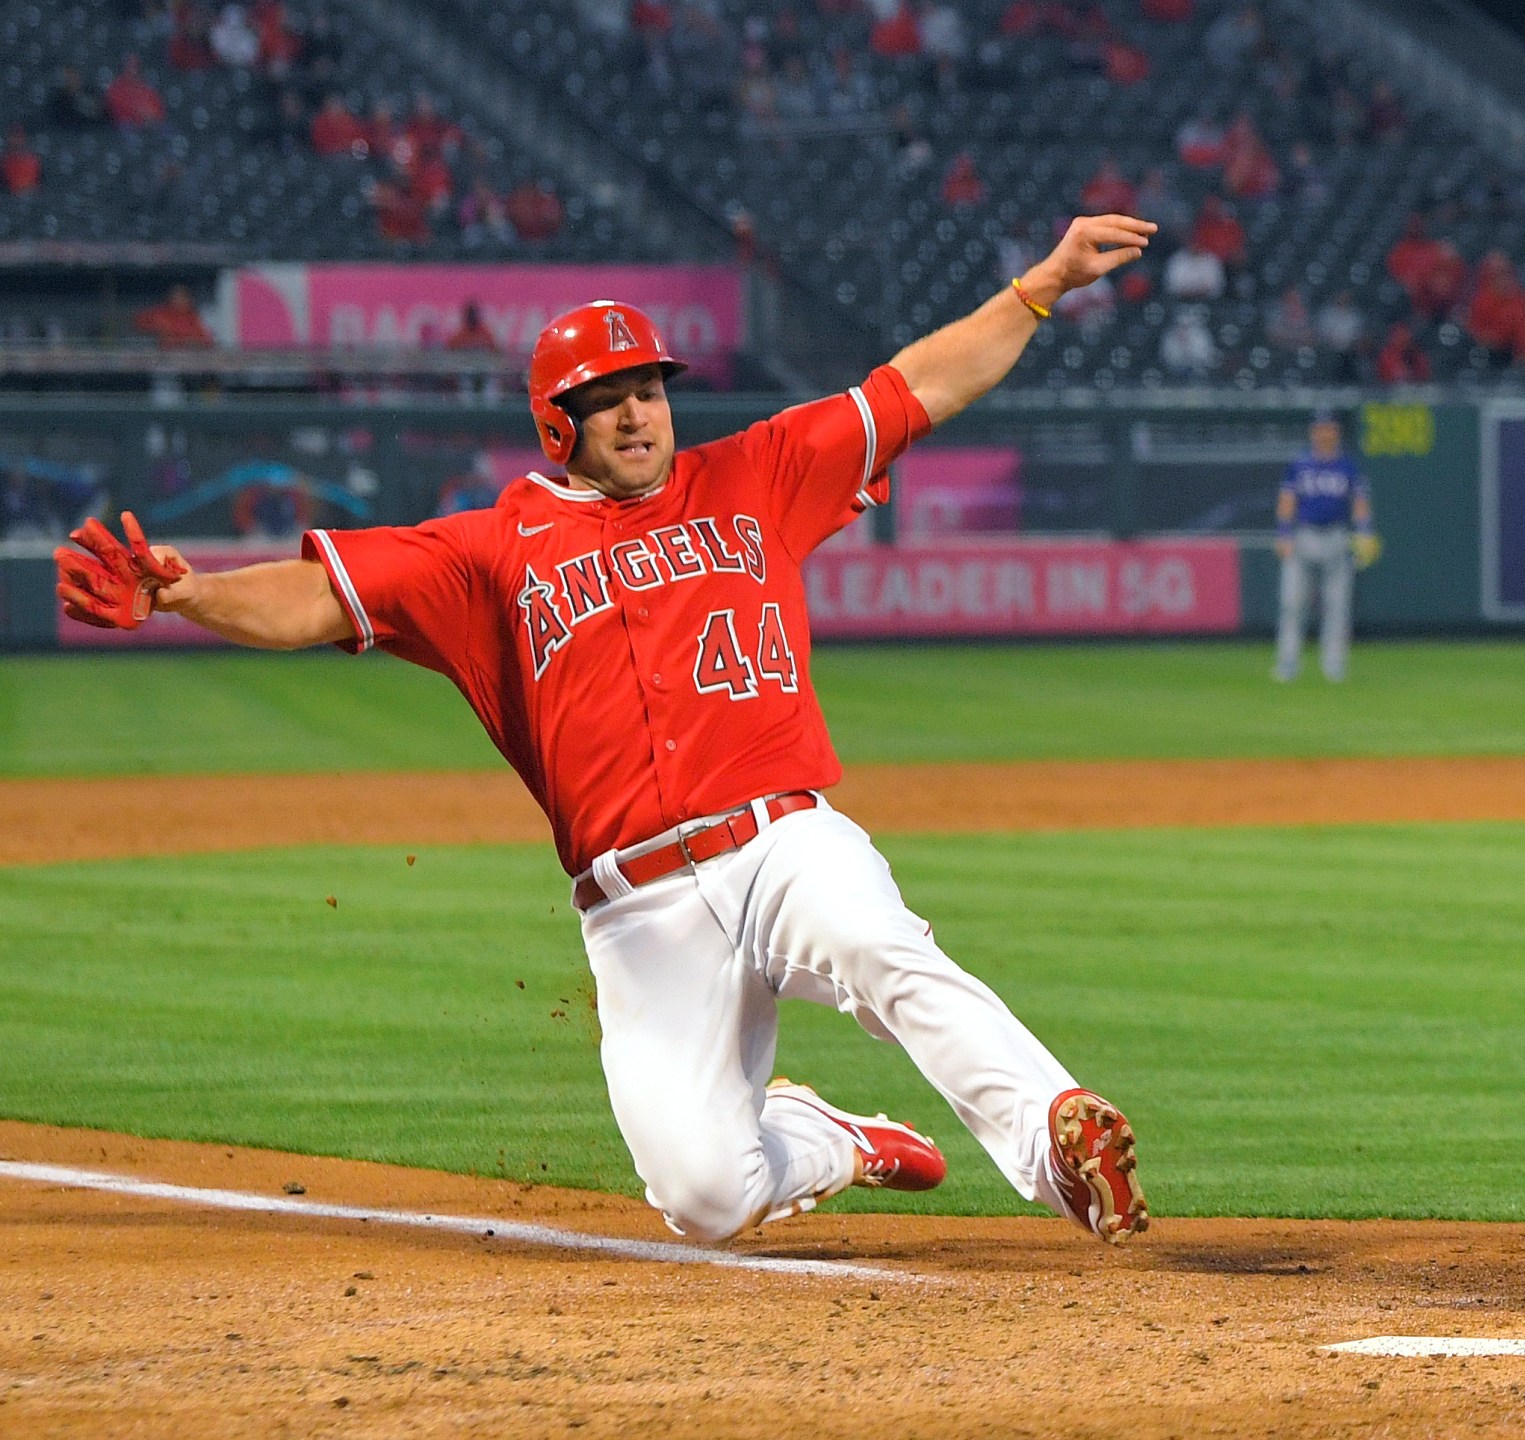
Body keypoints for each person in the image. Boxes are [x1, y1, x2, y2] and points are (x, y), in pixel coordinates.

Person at [56, 214, 1163, 1250]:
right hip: (638, 910)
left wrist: (1040, 286)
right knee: (704, 1197)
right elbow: (314, 597)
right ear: (557, 422)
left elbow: (916, 386)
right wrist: (183, 595)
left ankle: (1052, 1137)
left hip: (780, 837)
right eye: (608, 397)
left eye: (650, 388)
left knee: (877, 943)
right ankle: (834, 1139)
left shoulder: (757, 475)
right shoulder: (489, 551)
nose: (639, 412)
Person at [1271, 410, 1375, 684]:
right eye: (1320, 428)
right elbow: (1287, 499)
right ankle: (1288, 662)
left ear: (1336, 433)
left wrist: (1364, 532)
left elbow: (1359, 502)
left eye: (1329, 428)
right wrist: (1283, 533)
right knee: (1292, 604)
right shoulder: (1300, 465)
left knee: (1337, 605)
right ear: (1313, 433)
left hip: (1337, 536)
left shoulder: (1348, 467)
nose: (1325, 433)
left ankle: (1334, 664)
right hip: (1304, 536)